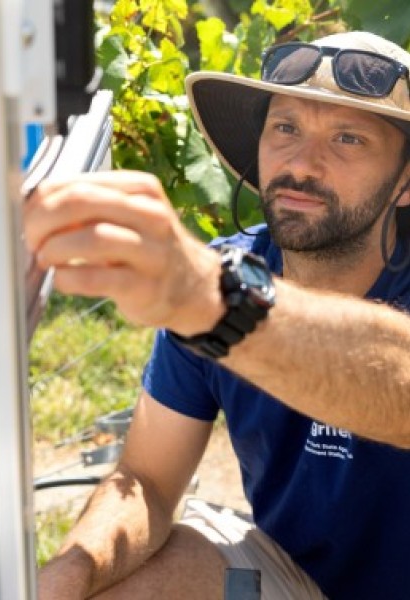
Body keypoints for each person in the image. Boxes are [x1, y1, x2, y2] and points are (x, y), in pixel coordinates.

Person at [25, 31, 410, 600]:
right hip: (298, 581)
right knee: (144, 574)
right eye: (285, 128)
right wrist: (62, 581)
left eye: (348, 138)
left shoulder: (215, 288)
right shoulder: (225, 272)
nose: (302, 163)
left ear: (405, 181)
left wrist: (216, 302)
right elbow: (148, 482)